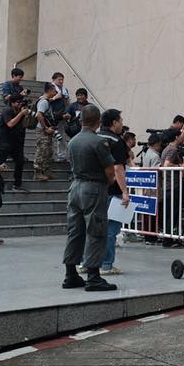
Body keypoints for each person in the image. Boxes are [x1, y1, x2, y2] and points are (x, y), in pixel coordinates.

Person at [62, 104, 118, 292]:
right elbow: (110, 172)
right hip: (93, 188)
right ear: (98, 121)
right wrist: (106, 183)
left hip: (75, 187)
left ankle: (70, 274)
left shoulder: (73, 141)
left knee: (75, 231)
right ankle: (94, 276)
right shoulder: (98, 142)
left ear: (80, 120)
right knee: (96, 230)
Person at [95, 109, 130, 275]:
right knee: (111, 229)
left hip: (95, 189)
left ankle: (86, 262)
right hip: (113, 190)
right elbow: (118, 168)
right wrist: (124, 191)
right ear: (114, 122)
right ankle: (106, 264)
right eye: (120, 120)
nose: (122, 123)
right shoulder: (117, 141)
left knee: (93, 227)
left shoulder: (94, 137)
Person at [0, 94, 30, 192]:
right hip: (5, 140)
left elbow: (25, 125)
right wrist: (21, 114)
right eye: (18, 102)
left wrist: (26, 116)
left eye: (21, 102)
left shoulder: (20, 112)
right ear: (12, 103)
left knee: (20, 161)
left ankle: (17, 185)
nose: (20, 104)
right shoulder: (7, 111)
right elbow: (10, 124)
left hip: (16, 141)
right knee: (0, 161)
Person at [33, 83, 58, 182]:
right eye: (54, 90)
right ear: (49, 90)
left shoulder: (46, 101)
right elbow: (39, 115)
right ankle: (38, 172)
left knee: (48, 151)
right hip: (42, 130)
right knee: (42, 150)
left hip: (47, 130)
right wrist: (46, 128)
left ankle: (46, 171)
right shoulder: (43, 102)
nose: (55, 92)